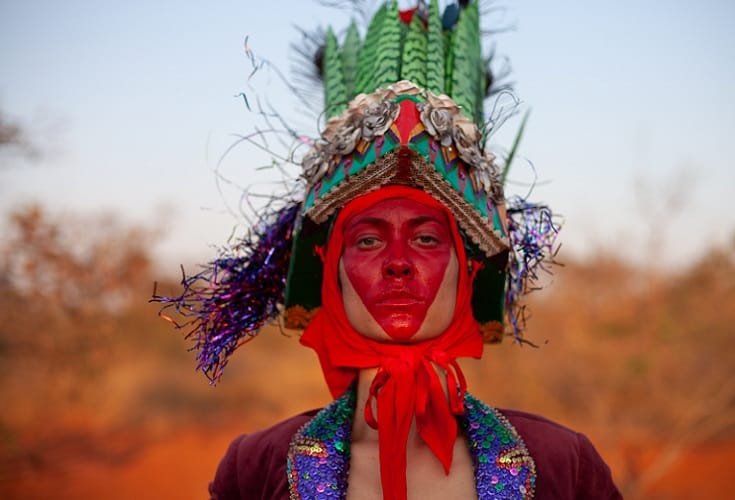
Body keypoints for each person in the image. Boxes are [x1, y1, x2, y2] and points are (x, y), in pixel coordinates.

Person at [156, 1, 622, 498]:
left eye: (425, 238)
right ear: (329, 269)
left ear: (467, 269)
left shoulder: (564, 466)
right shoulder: (255, 469)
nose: (398, 263)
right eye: (368, 240)